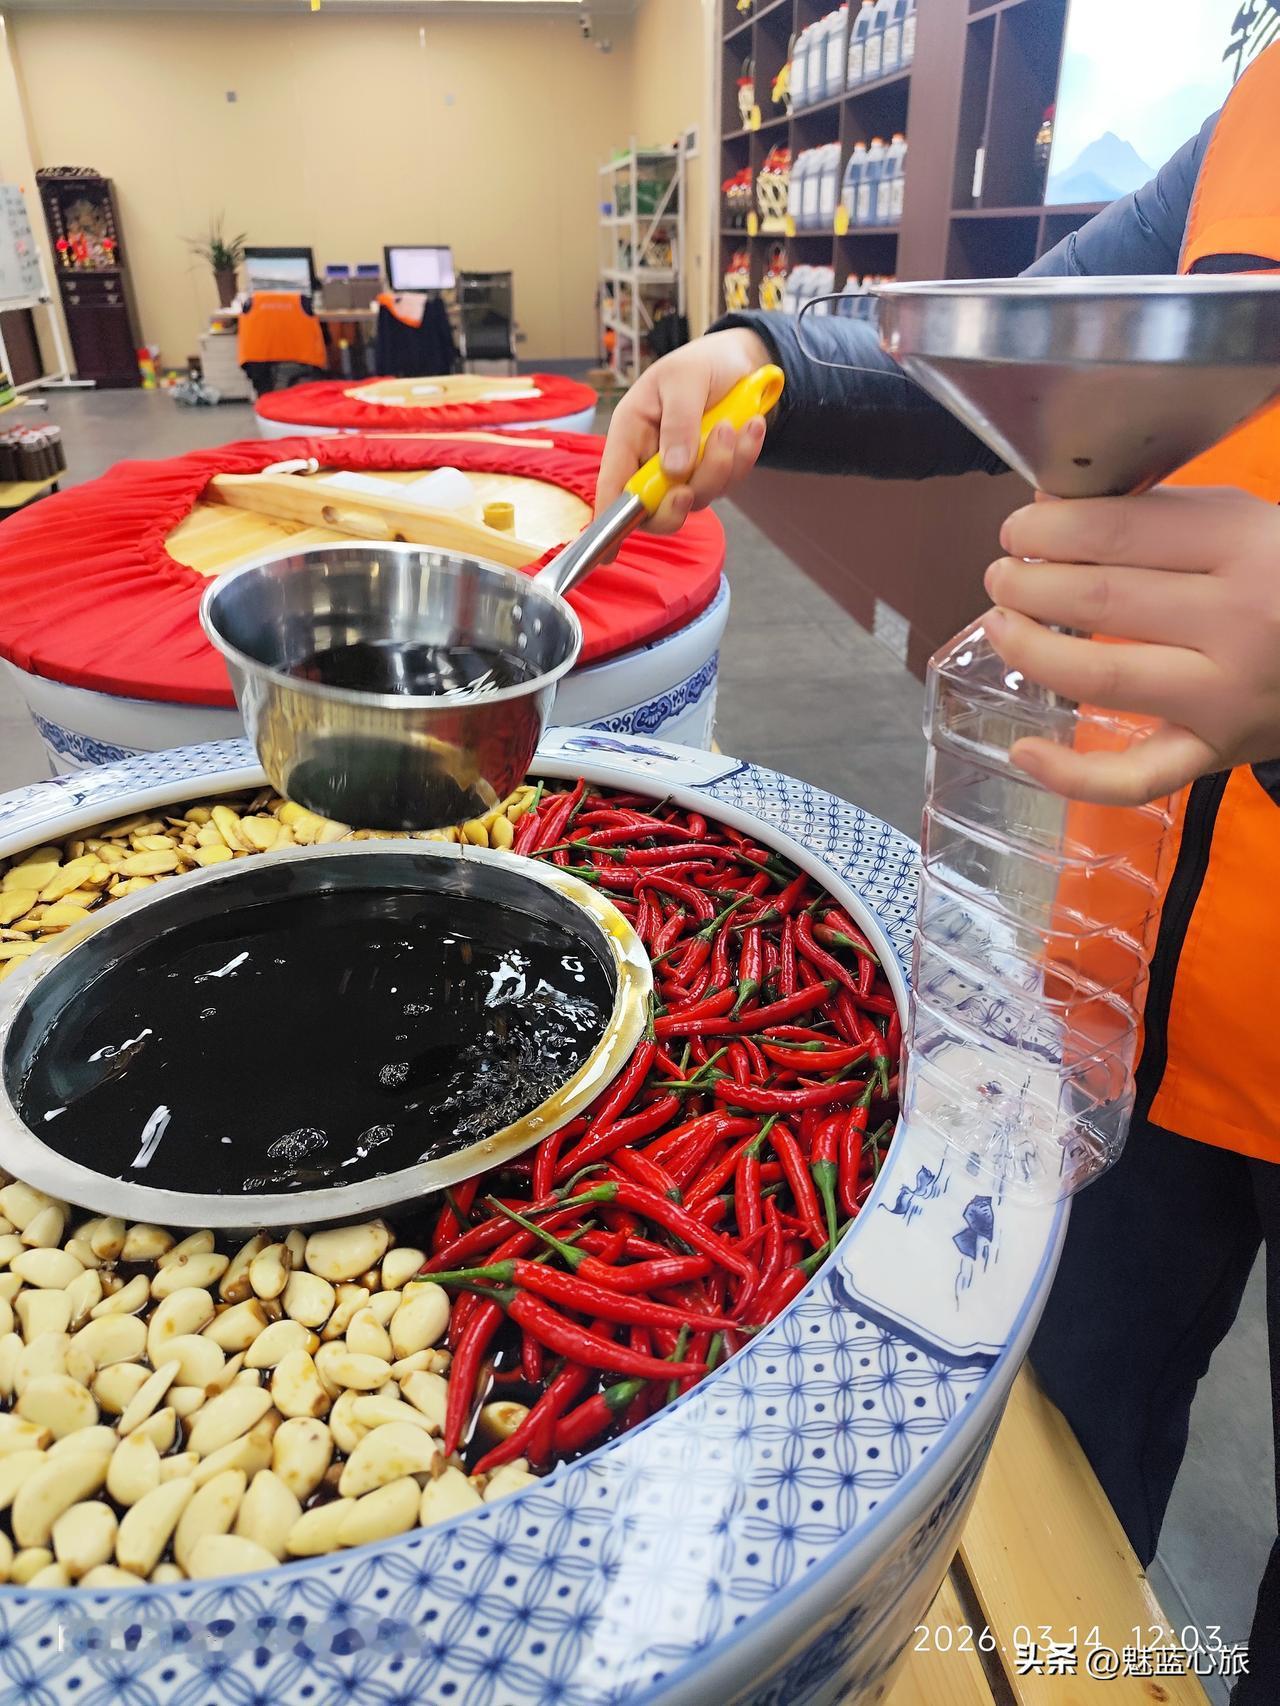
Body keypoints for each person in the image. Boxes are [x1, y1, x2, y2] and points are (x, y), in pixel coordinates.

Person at [597, 43, 1280, 1704]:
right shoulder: (1263, 113)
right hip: (1131, 1007)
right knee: (1067, 1426)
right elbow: (997, 336)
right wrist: (758, 350)